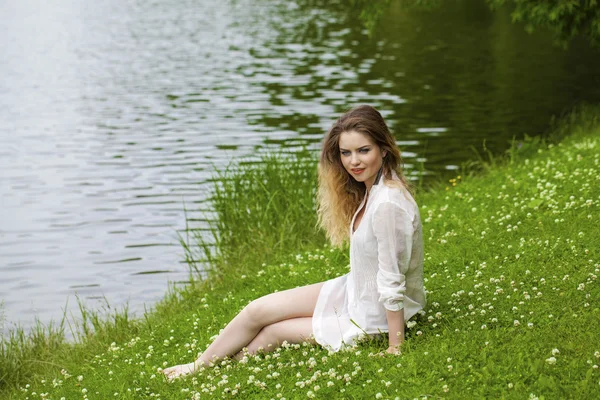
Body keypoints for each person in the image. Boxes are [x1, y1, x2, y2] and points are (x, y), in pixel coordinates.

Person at [162, 105, 426, 380]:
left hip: (372, 316)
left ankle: (214, 372)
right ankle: (199, 365)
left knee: (273, 332)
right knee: (258, 309)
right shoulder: (374, 188)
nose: (353, 162)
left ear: (383, 149)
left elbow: (392, 279)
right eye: (345, 153)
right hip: (355, 291)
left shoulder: (388, 204)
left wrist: (395, 346)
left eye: (363, 150)